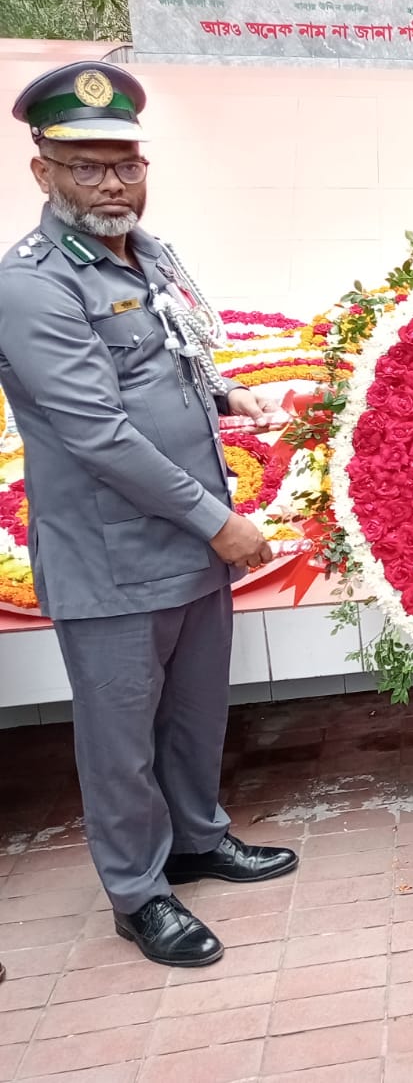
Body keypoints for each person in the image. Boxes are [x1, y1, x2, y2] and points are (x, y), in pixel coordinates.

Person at [0, 63, 298, 968]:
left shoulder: (152, 253)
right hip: (114, 555)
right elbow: (98, 433)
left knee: (196, 712)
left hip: (189, 542)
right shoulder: (32, 286)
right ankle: (138, 892)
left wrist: (231, 398)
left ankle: (200, 839)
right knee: (121, 736)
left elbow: (179, 353)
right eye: (85, 166)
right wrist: (221, 524)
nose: (110, 184)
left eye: (124, 163)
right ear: (41, 169)